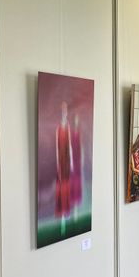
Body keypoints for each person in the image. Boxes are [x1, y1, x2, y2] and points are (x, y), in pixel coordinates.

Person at [55, 101, 73, 236]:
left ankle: (67, 211)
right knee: (61, 186)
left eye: (65, 110)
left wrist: (71, 162)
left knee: (67, 185)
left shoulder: (68, 127)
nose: (64, 112)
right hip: (60, 161)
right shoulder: (58, 129)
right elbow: (56, 148)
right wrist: (57, 163)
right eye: (62, 110)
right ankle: (61, 211)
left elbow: (70, 145)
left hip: (67, 160)